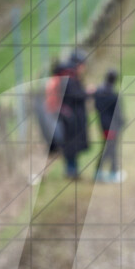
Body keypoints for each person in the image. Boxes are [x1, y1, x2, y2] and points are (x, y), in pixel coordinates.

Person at [58, 49, 91, 179]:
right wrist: (87, 93)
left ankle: (73, 170)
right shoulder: (69, 79)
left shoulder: (68, 77)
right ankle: (71, 171)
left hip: (71, 117)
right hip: (70, 118)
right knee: (71, 145)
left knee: (73, 145)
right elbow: (75, 95)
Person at [93, 69, 124, 183]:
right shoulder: (113, 95)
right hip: (112, 126)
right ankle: (102, 172)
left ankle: (111, 171)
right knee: (109, 148)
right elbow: (118, 113)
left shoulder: (99, 92)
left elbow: (96, 107)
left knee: (111, 147)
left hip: (103, 124)